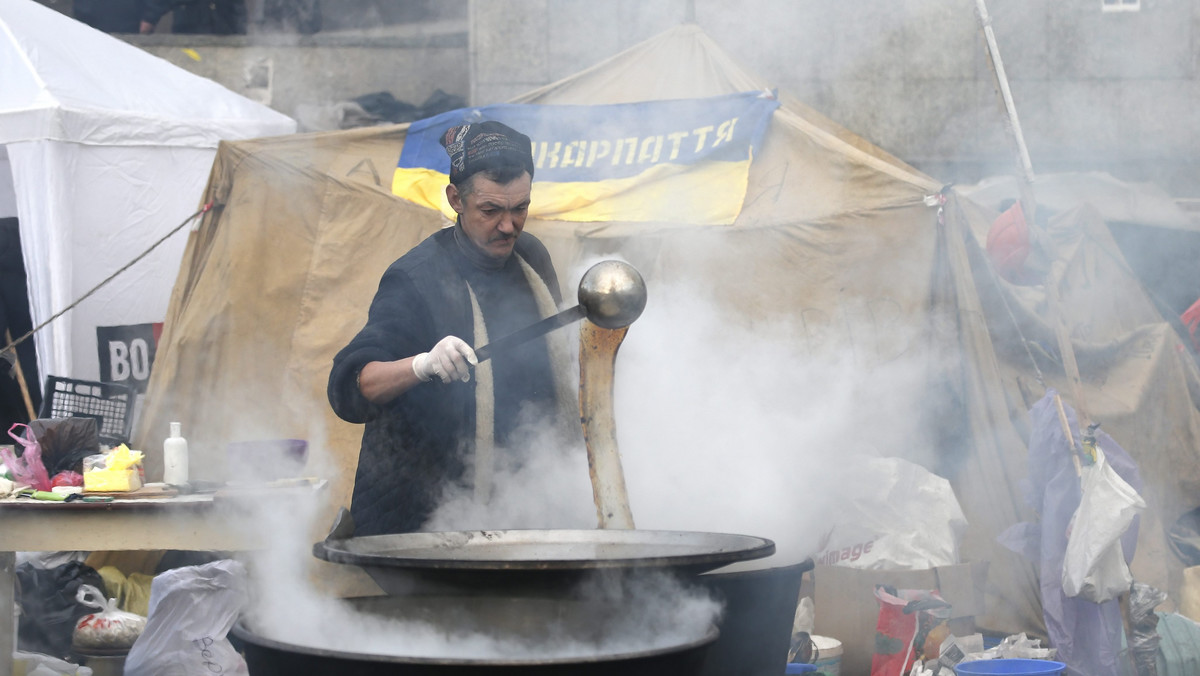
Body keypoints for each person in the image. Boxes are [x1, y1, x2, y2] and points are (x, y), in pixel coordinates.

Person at [327, 121, 576, 536]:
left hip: (522, 497)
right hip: (421, 516)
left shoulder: (531, 256)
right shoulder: (415, 278)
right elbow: (352, 387)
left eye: (520, 208)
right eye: (491, 210)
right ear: (456, 199)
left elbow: (557, 357)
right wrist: (421, 365)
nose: (509, 226)